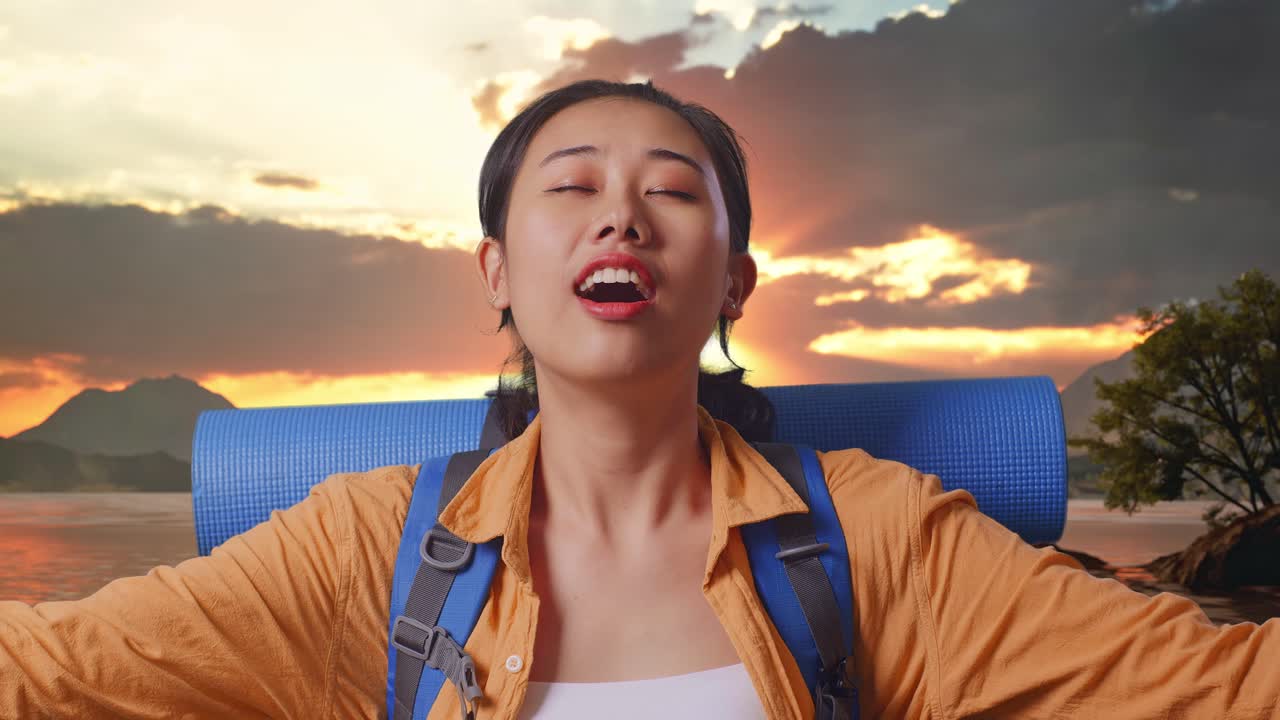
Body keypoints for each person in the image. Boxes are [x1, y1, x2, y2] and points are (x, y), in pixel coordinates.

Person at [1, 78, 1277, 720]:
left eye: (670, 190)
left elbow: (1220, 688)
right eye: (570, 187)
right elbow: (50, 675)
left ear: (733, 281)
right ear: (497, 274)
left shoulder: (881, 542)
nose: (620, 213)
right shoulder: (364, 552)